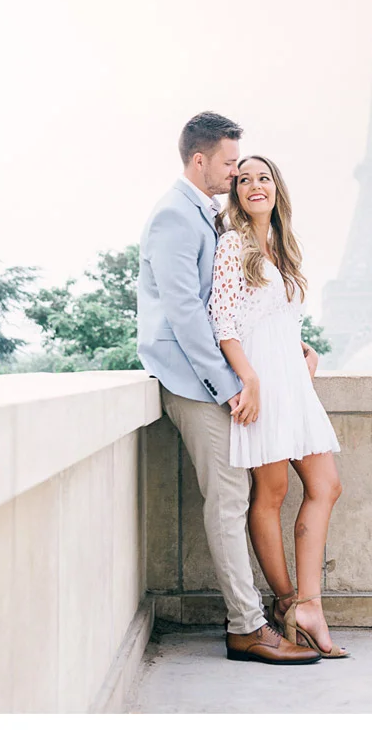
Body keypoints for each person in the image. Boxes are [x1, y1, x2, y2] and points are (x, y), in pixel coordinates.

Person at [137, 113, 319, 665]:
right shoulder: (175, 216)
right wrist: (230, 383)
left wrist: (293, 344)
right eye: (229, 163)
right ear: (199, 161)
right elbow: (187, 311)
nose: (236, 171)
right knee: (229, 499)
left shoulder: (203, 214)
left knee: (236, 496)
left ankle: (257, 617)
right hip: (193, 381)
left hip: (208, 376)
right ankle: (246, 627)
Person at [208, 154, 348, 658]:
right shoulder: (232, 244)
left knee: (326, 485)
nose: (253, 185)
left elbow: (276, 315)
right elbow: (224, 321)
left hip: (291, 378)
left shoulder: (283, 247)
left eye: (262, 177)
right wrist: (250, 378)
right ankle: (288, 601)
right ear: (237, 194)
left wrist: (302, 348)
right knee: (271, 490)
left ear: (276, 188)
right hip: (261, 381)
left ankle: (307, 604)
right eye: (243, 180)